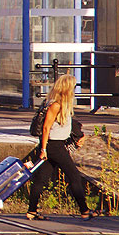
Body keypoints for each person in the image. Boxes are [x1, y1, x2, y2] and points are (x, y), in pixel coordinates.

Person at [26, 74, 97, 221]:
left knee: (41, 178)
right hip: (54, 146)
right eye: (73, 87)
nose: (74, 90)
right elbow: (46, 128)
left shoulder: (61, 104)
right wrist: (43, 149)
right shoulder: (55, 105)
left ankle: (32, 211)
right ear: (67, 88)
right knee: (74, 176)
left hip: (55, 145)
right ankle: (84, 210)